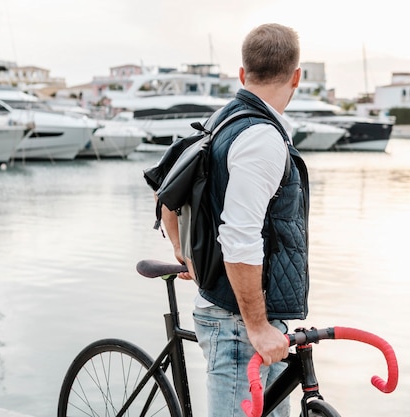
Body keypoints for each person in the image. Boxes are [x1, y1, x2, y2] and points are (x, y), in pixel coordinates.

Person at [158, 23, 310, 417]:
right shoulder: (261, 138)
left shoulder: (223, 120)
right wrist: (258, 326)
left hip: (236, 312)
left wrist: (181, 250)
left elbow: (167, 196)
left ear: (243, 75)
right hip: (239, 324)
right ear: (296, 76)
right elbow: (240, 239)